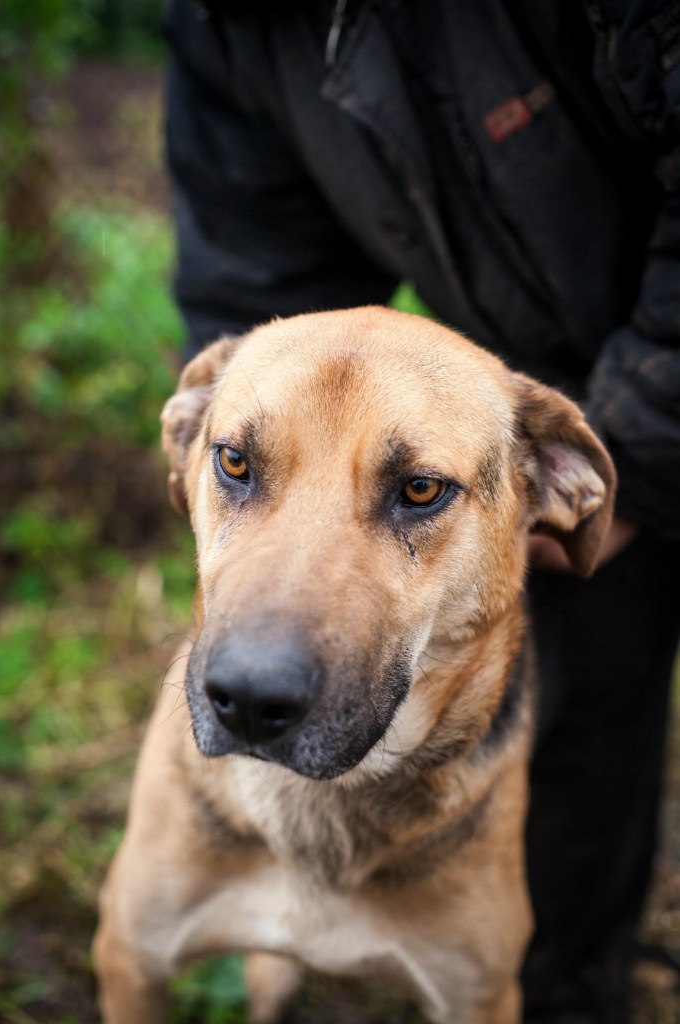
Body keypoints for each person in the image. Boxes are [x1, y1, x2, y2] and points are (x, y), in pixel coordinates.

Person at [161, 2, 680, 1020]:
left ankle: (570, 982)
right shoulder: (231, 20)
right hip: (468, 393)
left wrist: (648, 451)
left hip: (648, 361)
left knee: (597, 682)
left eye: (414, 494)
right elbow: (257, 276)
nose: (255, 671)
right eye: (234, 468)